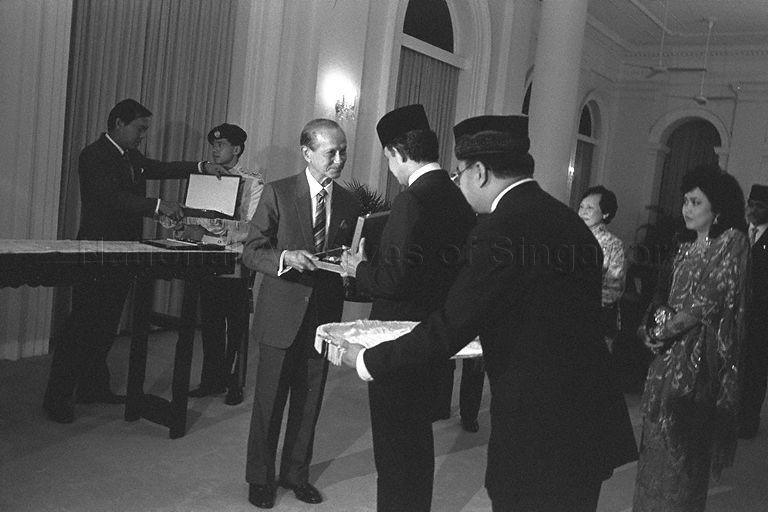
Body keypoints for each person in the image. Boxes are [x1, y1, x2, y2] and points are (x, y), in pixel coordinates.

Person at [341, 115, 638, 511]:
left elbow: (450, 326)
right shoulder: (566, 219)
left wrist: (367, 359)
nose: (458, 184)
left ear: (479, 172)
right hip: (591, 414)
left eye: (460, 174)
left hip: (540, 426)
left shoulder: (501, 229)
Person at [43, 98, 225, 424]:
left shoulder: (132, 156)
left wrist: (200, 167)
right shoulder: (93, 155)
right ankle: (56, 398)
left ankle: (92, 387)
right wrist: (158, 206)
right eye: (139, 129)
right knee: (81, 326)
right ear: (118, 124)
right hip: (97, 252)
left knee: (107, 324)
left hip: (126, 252)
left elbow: (161, 168)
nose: (143, 135)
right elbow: (111, 199)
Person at [340, 104, 475, 512]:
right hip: (435, 336)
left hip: (397, 340)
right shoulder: (456, 196)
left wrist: (358, 267)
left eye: (387, 158)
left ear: (398, 153)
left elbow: (391, 280)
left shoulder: (411, 200)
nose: (390, 168)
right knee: (417, 445)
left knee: (395, 451)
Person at [242, 118, 360, 509]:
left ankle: (295, 474)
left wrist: (352, 265)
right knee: (269, 403)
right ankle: (260, 479)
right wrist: (284, 257)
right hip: (281, 316)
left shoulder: (348, 202)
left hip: (323, 319)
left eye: (343, 151)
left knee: (309, 403)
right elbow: (251, 250)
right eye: (331, 153)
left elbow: (347, 257)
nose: (340, 159)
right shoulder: (278, 194)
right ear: (307, 153)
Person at [633, 165, 749, 511]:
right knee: (655, 445)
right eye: (685, 200)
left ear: (718, 209)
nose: (686, 208)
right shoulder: (682, 247)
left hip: (698, 367)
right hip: (664, 363)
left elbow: (705, 304)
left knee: (683, 452)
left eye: (695, 202)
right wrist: (647, 331)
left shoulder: (732, 244)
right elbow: (660, 299)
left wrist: (660, 332)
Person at [178, 123, 264, 405]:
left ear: (236, 149)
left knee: (235, 323)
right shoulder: (203, 178)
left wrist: (219, 227)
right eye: (213, 145)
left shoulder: (252, 182)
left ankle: (234, 382)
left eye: (222, 145)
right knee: (211, 322)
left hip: (234, 257)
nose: (215, 150)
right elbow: (193, 216)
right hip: (206, 256)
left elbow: (253, 225)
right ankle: (211, 379)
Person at [578, 185, 626, 352]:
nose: (583, 212)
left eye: (590, 208)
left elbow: (614, 288)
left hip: (598, 318)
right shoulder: (571, 237)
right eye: (581, 207)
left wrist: (583, 301)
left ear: (605, 213)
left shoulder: (613, 244)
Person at [738, 183, 768, 439]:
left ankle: (748, 421)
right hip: (735, 313)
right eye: (752, 204)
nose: (754, 210)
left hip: (761, 317)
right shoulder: (737, 233)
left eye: (760, 206)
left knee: (755, 370)